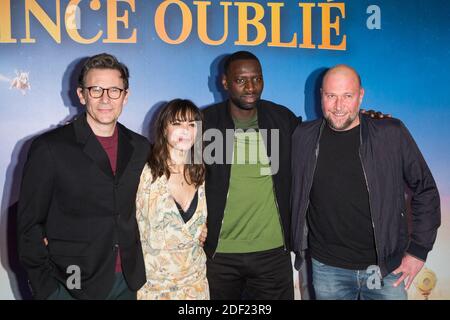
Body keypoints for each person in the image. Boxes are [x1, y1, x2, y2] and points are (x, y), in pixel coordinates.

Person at [291, 64, 441, 300]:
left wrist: (418, 252)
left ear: (360, 96)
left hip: (386, 269)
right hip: (327, 269)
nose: (339, 106)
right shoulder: (303, 137)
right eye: (331, 96)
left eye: (347, 96)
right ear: (321, 95)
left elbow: (426, 190)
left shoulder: (390, 134)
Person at [17, 53, 150, 300]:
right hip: (70, 283)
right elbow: (28, 226)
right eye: (96, 90)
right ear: (81, 94)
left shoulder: (140, 147)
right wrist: (47, 290)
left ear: (126, 96)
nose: (105, 99)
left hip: (126, 281)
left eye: (114, 90)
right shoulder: (50, 148)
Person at [202, 51, 300, 299]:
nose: (250, 87)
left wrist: (363, 119)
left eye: (257, 79)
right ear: (225, 82)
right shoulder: (205, 122)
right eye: (241, 80)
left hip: (272, 255)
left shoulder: (282, 119)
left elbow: (321, 139)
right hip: (219, 256)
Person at [136, 99, 209, 300]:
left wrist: (205, 227)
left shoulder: (202, 174)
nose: (185, 130)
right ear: (163, 128)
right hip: (153, 288)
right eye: (177, 123)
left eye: (192, 124)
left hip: (195, 287)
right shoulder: (143, 173)